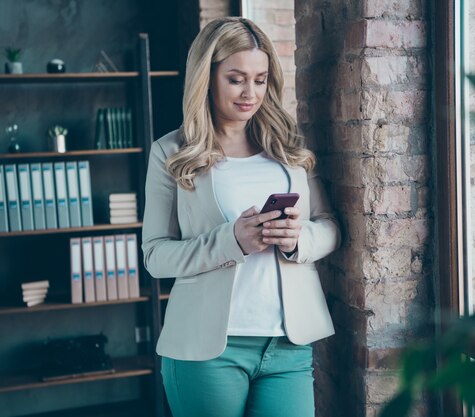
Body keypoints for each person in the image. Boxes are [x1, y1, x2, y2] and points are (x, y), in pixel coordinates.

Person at [141, 16, 341, 417]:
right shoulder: (170, 152)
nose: (251, 92)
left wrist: (297, 240)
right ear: (207, 77)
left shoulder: (288, 147)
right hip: (206, 351)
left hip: (288, 346)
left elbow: (329, 226)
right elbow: (155, 256)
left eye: (261, 79)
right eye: (236, 79)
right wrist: (229, 241)